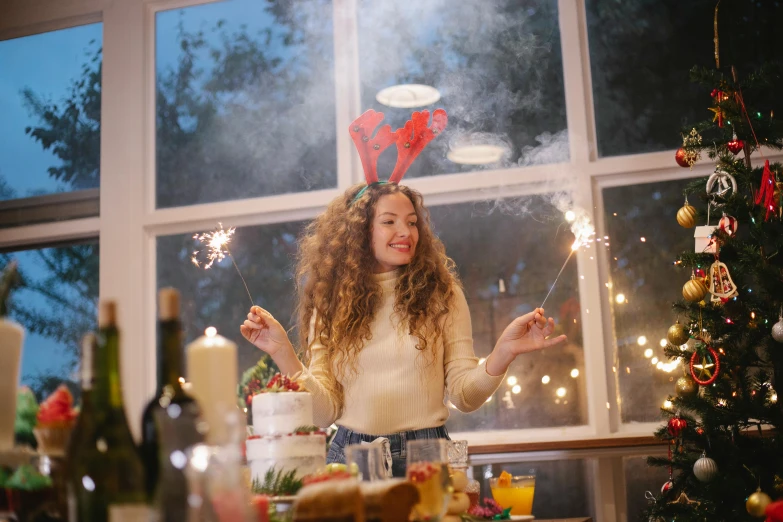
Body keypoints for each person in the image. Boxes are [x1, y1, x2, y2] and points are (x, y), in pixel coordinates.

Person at [240, 109, 567, 477]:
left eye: (412, 222)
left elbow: (464, 395)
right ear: (359, 232)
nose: (406, 232)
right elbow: (324, 412)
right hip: (350, 457)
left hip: (428, 457)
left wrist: (503, 353)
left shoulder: (442, 295)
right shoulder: (329, 304)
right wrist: (284, 352)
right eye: (389, 222)